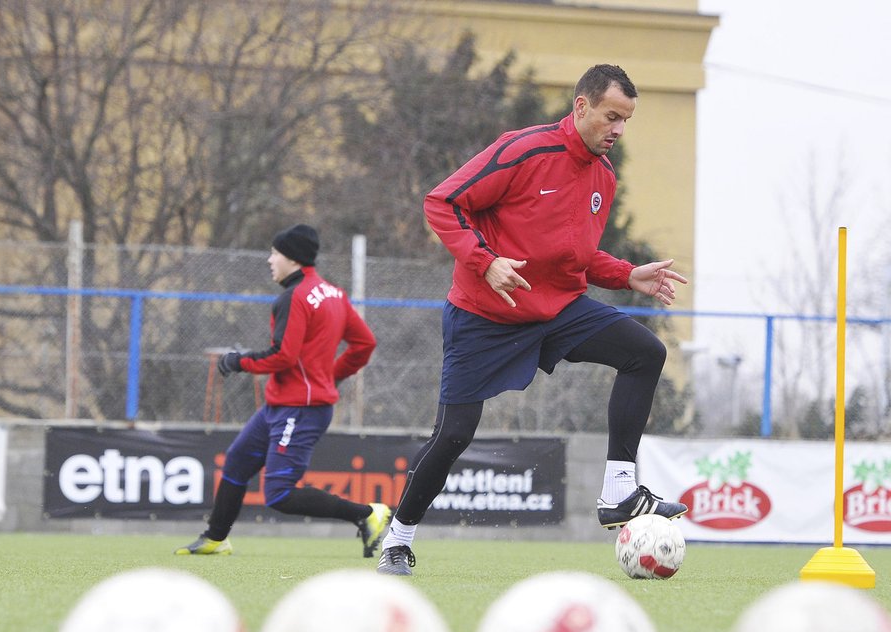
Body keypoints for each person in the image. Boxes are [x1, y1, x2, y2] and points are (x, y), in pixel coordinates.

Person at [376, 64, 688, 576]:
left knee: (645, 352)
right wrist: (486, 261)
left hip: (557, 309)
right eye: (611, 116)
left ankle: (618, 493)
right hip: (483, 316)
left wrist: (628, 274)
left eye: (627, 120)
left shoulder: (603, 178)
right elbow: (442, 202)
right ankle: (398, 538)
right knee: (454, 433)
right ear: (581, 105)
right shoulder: (524, 149)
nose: (618, 129)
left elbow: (575, 257)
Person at [176, 223, 391, 557]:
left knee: (278, 494)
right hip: (284, 404)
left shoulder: (295, 297)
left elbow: (282, 356)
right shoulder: (333, 293)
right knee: (235, 463)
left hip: (301, 409)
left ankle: (367, 514)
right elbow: (365, 343)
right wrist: (329, 377)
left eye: (275, 252)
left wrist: (238, 362)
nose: (269, 259)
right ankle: (215, 538)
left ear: (292, 258)